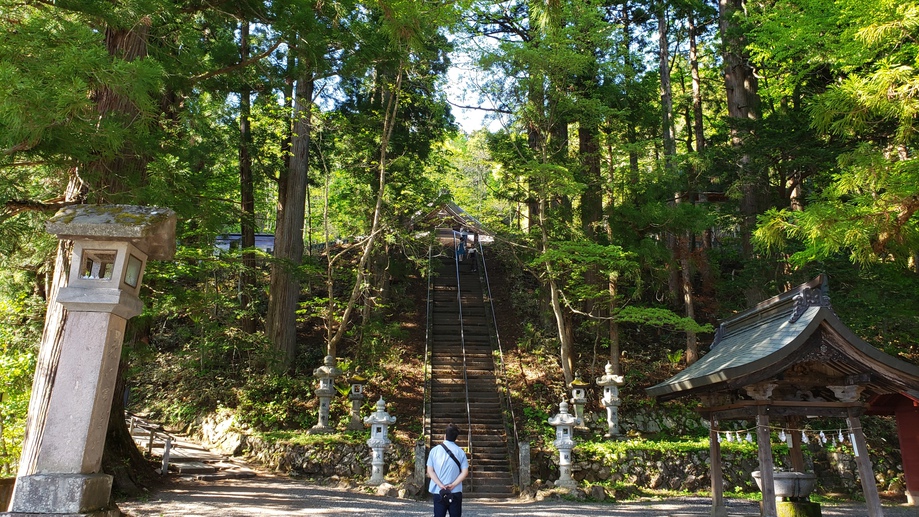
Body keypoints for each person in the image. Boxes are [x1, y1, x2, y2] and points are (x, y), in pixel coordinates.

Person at [426, 423, 469, 517]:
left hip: (439, 491)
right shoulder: (460, 452)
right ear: (456, 437)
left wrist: (440, 484)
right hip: (455, 491)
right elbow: (465, 472)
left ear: (444, 436)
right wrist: (453, 485)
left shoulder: (434, 451)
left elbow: (430, 471)